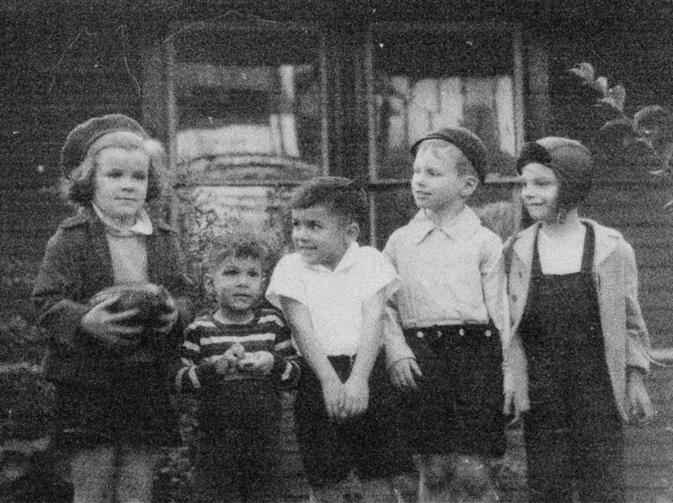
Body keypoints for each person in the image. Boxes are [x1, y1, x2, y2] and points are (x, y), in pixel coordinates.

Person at [32, 114, 193, 503]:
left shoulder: (163, 239)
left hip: (146, 376)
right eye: (115, 175)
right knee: (93, 484)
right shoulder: (71, 239)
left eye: (138, 177)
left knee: (137, 487)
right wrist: (85, 319)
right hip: (89, 380)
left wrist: (176, 314)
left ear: (150, 184)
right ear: (89, 183)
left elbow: (184, 295)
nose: (127, 185)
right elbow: (46, 301)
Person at [504, 136, 654, 502]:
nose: (529, 193)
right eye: (525, 183)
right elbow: (511, 328)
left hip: (598, 391)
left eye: (542, 183)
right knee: (547, 488)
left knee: (602, 488)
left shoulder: (611, 249)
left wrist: (635, 380)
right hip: (543, 394)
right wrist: (512, 378)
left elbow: (631, 323)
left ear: (570, 186)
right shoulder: (516, 251)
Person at [383, 127, 508, 501]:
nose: (418, 182)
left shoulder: (484, 242)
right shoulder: (400, 242)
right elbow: (383, 306)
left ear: (467, 186)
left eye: (432, 174)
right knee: (434, 469)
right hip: (421, 357)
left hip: (476, 358)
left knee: (475, 471)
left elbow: (501, 312)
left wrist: (507, 372)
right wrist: (397, 351)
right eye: (416, 172)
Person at [266, 176, 400, 503]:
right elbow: (302, 328)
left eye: (314, 226)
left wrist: (359, 380)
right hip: (316, 376)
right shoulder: (290, 268)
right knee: (325, 480)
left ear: (349, 233)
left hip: (369, 373)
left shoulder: (370, 261)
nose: (301, 235)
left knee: (379, 477)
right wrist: (328, 381)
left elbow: (374, 319)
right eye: (296, 224)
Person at [174, 232, 300, 503]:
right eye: (231, 273)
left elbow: (295, 374)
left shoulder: (273, 323)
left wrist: (272, 363)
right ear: (211, 283)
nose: (243, 282)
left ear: (262, 282)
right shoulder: (200, 329)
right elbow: (181, 380)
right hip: (215, 443)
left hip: (265, 441)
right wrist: (214, 369)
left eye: (252, 275)